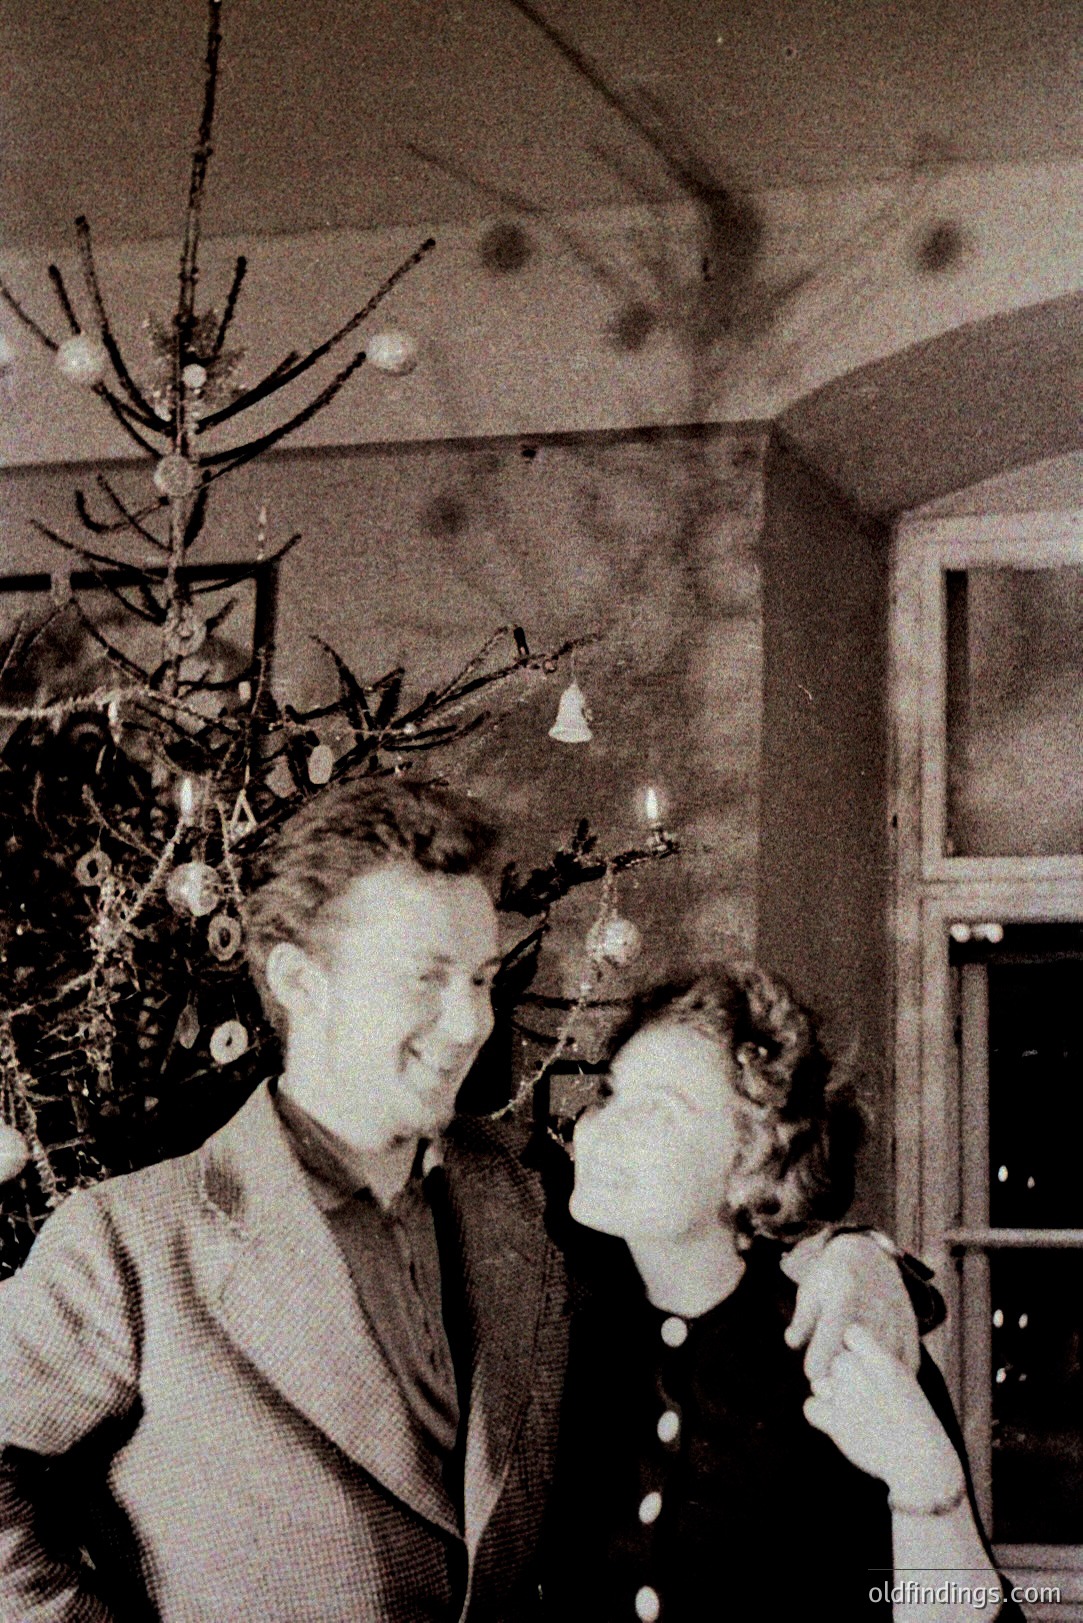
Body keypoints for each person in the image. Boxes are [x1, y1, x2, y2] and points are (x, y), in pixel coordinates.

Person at [0, 779, 931, 1621]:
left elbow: (719, 1241)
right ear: (297, 981)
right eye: (426, 978)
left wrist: (855, 1252)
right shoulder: (128, 1244)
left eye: (481, 978)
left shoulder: (532, 1198)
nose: (469, 1023)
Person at [540, 967, 1024, 1623]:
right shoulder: (557, 1324)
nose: (601, 1129)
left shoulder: (839, 1344)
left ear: (754, 1160)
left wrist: (930, 1495)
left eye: (658, 1110)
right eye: (609, 1092)